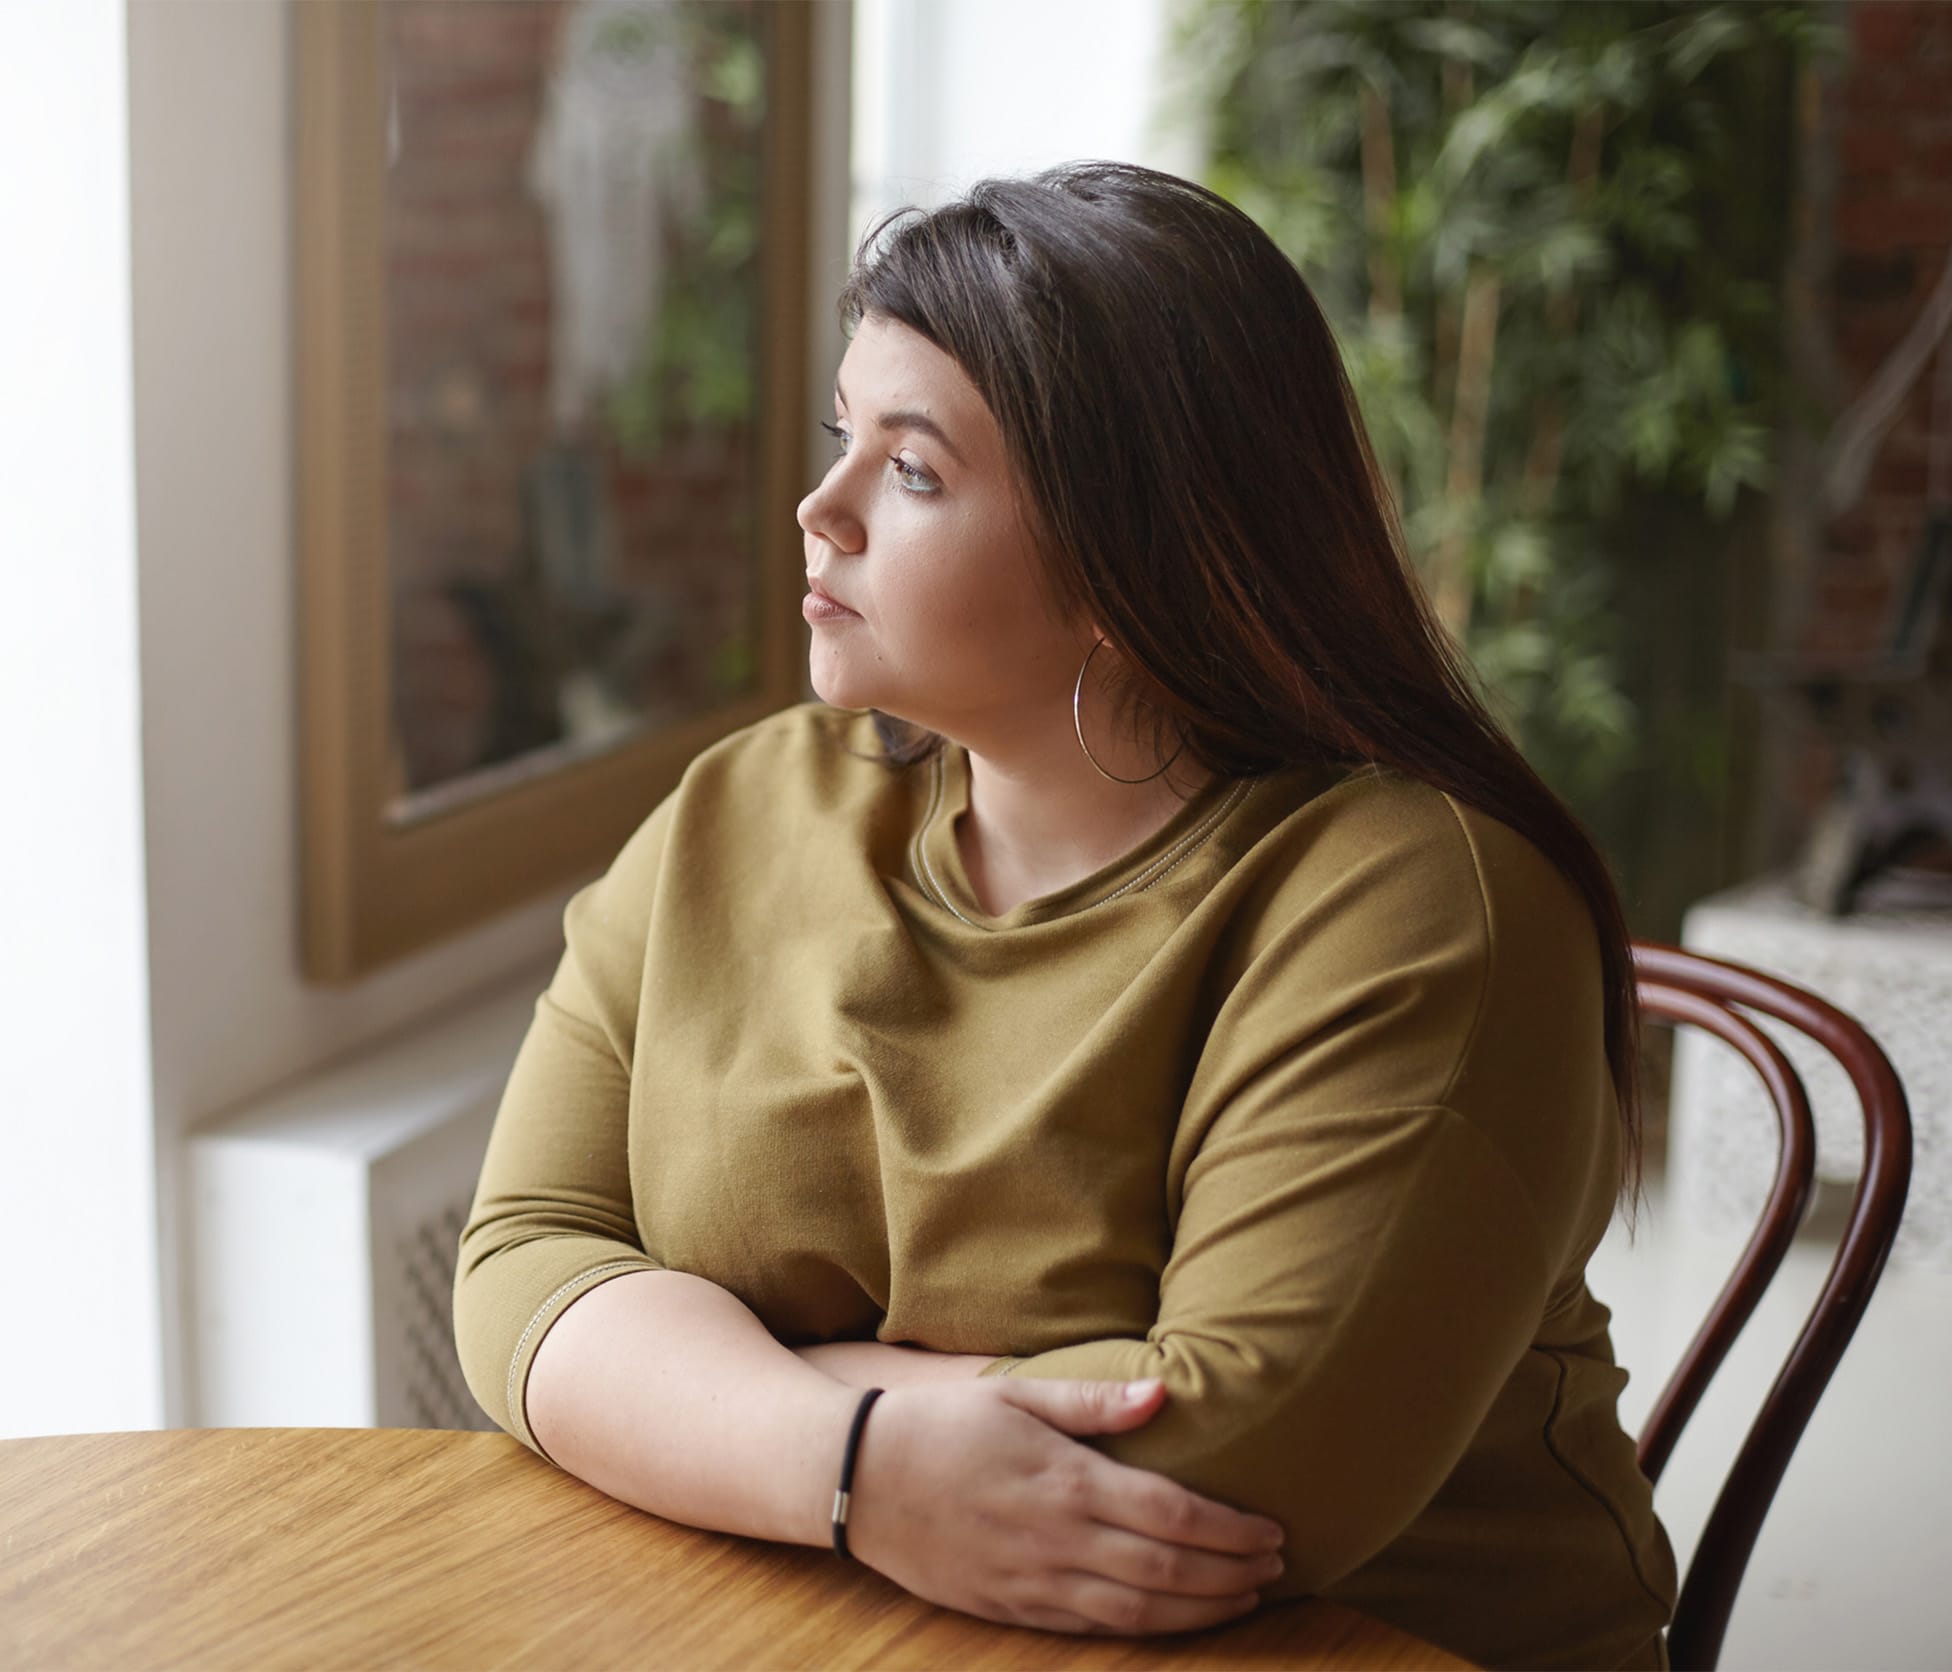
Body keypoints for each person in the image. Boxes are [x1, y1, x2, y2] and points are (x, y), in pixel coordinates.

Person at [453, 159, 1677, 1671]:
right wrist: (860, 1467)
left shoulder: (1420, 902)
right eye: (847, 435)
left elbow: (1236, 1479)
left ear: (1134, 558)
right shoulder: (744, 809)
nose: (816, 509)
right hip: (837, 1617)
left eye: (911, 471)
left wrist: (716, 1388)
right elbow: (522, 1259)